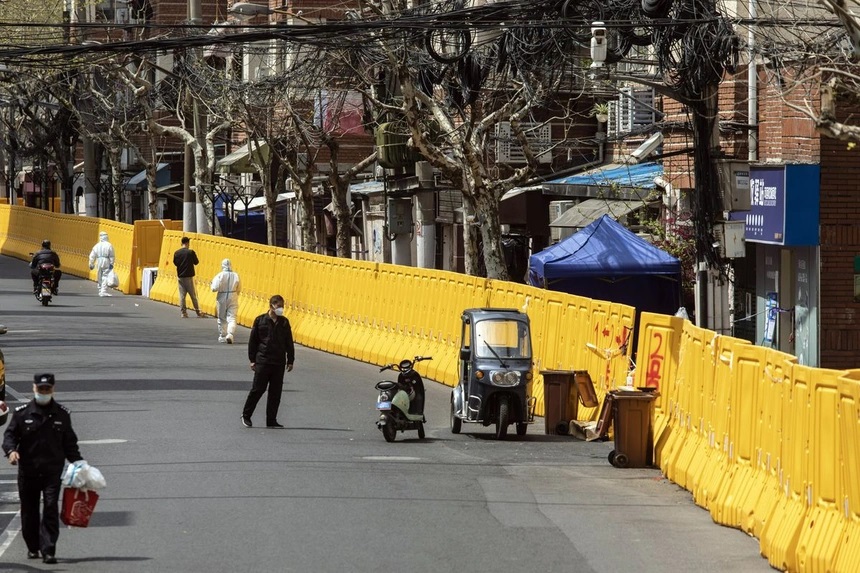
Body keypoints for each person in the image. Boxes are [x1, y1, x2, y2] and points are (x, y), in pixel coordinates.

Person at [3, 373, 83, 565]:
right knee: (29, 510)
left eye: (47, 389)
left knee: (50, 507)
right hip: (28, 471)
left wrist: (79, 464)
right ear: (34, 388)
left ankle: (48, 549)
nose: (44, 392)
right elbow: (10, 436)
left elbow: (69, 444)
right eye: (41, 389)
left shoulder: (62, 415)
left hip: (52, 471)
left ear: (53, 389)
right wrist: (11, 451)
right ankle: (33, 546)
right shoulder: (22, 413)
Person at [242, 294, 295, 429]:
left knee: (275, 392)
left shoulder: (284, 322)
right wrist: (252, 360)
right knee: (258, 389)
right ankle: (246, 415)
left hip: (278, 362)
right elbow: (253, 341)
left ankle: (271, 419)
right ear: (271, 306)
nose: (281, 309)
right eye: (279, 306)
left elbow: (289, 342)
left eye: (282, 306)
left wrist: (290, 360)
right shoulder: (260, 320)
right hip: (263, 361)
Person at [211, 258, 241, 344]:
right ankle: (230, 334)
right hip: (233, 296)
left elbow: (214, 288)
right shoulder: (236, 275)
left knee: (222, 317)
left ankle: (223, 335)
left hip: (222, 296)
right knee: (232, 317)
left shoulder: (220, 275)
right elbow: (239, 288)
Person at [173, 236, 203, 318]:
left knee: (182, 296)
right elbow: (196, 262)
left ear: (181, 243)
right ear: (187, 243)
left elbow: (175, 263)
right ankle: (198, 312)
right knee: (193, 296)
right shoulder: (190, 252)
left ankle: (183, 313)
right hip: (189, 277)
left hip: (180, 277)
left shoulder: (177, 253)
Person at [88, 231, 115, 297]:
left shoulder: (96, 245)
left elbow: (92, 256)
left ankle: (100, 290)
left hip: (98, 260)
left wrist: (91, 264)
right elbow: (112, 255)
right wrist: (111, 263)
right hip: (106, 260)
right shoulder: (109, 245)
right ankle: (103, 291)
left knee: (99, 275)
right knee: (105, 276)